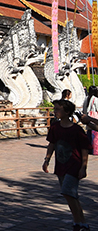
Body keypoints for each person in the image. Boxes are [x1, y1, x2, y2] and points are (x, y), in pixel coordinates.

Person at [43, 99, 90, 231]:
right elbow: (51, 144)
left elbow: (84, 149)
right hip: (61, 165)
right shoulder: (55, 127)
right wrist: (47, 160)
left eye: (58, 109)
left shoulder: (77, 130)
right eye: (55, 109)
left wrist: (83, 167)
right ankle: (79, 222)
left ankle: (82, 222)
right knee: (69, 195)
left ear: (67, 112)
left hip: (74, 164)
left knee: (68, 191)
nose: (55, 111)